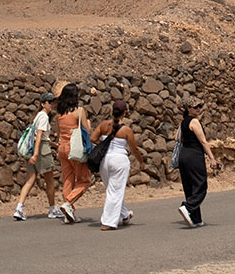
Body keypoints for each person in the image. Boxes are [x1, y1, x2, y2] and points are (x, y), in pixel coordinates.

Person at [90, 100, 145, 231]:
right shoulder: (126, 130)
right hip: (119, 160)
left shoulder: (104, 125)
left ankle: (124, 215)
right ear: (125, 112)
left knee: (112, 189)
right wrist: (141, 162)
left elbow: (92, 138)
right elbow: (134, 149)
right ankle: (108, 221)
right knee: (115, 191)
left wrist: (103, 144)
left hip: (105, 160)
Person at [13, 93, 60, 221]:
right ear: (43, 104)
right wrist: (36, 154)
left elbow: (41, 136)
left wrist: (54, 144)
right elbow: (39, 136)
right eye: (49, 102)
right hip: (41, 150)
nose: (51, 104)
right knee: (49, 181)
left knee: (30, 180)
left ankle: (19, 208)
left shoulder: (38, 116)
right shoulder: (44, 117)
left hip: (33, 148)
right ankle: (52, 209)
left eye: (52, 102)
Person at [177, 98, 221, 228]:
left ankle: (195, 218)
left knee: (190, 187)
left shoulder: (183, 122)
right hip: (194, 156)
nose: (198, 109)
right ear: (188, 108)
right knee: (201, 185)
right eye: (195, 106)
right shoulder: (194, 121)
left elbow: (176, 138)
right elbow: (203, 142)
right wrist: (212, 158)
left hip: (183, 155)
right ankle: (188, 207)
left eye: (200, 106)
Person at [54, 83, 92, 223]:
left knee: (68, 181)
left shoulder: (59, 114)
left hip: (62, 148)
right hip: (74, 149)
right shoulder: (79, 111)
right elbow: (87, 131)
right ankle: (68, 203)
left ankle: (69, 213)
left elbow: (58, 133)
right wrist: (88, 123)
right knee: (84, 180)